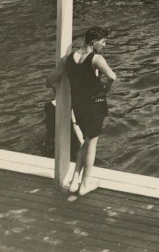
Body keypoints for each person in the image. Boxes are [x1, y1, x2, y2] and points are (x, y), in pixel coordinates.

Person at [45, 26, 116, 196]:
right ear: (93, 42)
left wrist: (59, 88)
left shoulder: (68, 59)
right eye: (103, 41)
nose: (104, 45)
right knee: (92, 144)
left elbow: (49, 81)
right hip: (95, 104)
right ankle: (85, 185)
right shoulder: (96, 59)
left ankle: (75, 181)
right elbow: (113, 77)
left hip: (78, 105)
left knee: (86, 141)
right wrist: (105, 90)